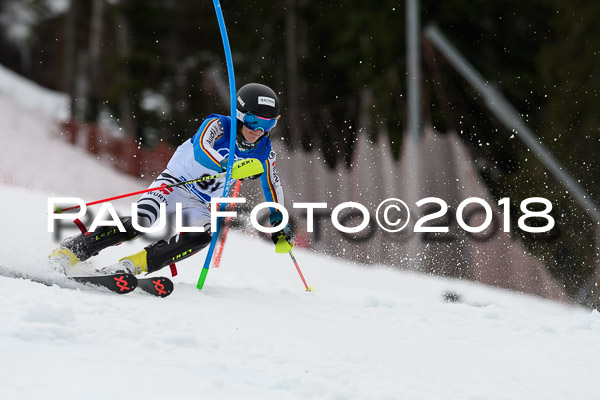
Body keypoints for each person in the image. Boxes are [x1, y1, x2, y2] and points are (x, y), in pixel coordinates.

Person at [50, 83, 295, 275]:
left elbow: (272, 184)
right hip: (174, 183)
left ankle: (134, 265)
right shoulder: (218, 125)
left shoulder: (263, 151)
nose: (258, 130)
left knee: (205, 235)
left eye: (268, 123)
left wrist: (278, 220)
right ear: (240, 115)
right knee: (141, 221)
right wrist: (230, 166)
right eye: (253, 120)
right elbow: (201, 149)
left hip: (198, 202)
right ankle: (73, 251)